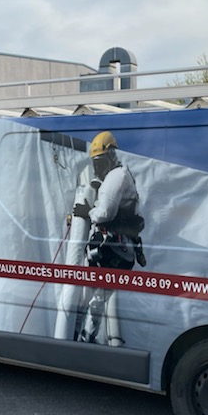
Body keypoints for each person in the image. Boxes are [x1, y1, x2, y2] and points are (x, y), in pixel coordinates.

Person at [72, 131, 146, 346]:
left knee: (92, 296)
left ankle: (81, 337)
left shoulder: (116, 176)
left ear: (112, 156)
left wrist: (87, 212)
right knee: (96, 297)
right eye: (95, 163)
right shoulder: (121, 175)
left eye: (100, 161)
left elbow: (105, 213)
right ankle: (84, 336)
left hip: (112, 249)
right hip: (119, 250)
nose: (97, 167)